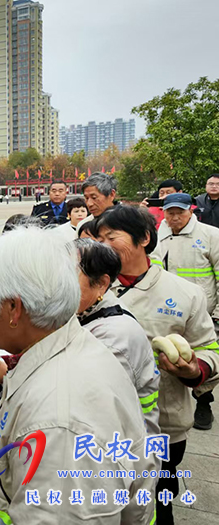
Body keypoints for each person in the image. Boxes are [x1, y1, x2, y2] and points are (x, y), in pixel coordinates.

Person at [0, 227, 155, 524]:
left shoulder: (61, 423)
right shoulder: (58, 346)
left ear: (14, 308)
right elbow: (19, 437)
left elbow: (44, 432)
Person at [93, 205, 219, 524]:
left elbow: (210, 349)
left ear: (144, 238)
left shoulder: (184, 293)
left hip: (163, 422)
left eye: (112, 236)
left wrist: (194, 370)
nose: (102, 244)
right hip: (100, 421)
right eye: (98, 238)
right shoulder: (89, 290)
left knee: (158, 496)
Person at [151, 192, 219, 431]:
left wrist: (218, 313)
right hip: (170, 311)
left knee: (203, 360)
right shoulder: (159, 235)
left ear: (191, 211)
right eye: (170, 212)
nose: (175, 217)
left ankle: (204, 402)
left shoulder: (211, 236)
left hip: (205, 313)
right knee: (174, 360)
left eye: (180, 212)